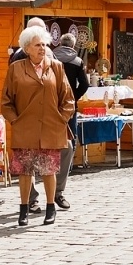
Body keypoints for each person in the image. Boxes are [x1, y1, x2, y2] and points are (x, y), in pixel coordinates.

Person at [1, 25, 74, 225]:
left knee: (49, 170)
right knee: (25, 171)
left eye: (44, 44)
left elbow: (68, 99)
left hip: (50, 127)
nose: (42, 48)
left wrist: (61, 119)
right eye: (37, 45)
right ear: (27, 48)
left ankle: (51, 208)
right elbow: (6, 101)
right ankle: (23, 209)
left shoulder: (56, 67)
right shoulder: (16, 68)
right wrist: (15, 120)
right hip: (25, 128)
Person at [49, 33, 89, 211]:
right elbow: (85, 84)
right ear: (73, 45)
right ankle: (66, 169)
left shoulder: (51, 58)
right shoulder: (77, 61)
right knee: (70, 141)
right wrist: (75, 97)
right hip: (69, 107)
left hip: (50, 104)